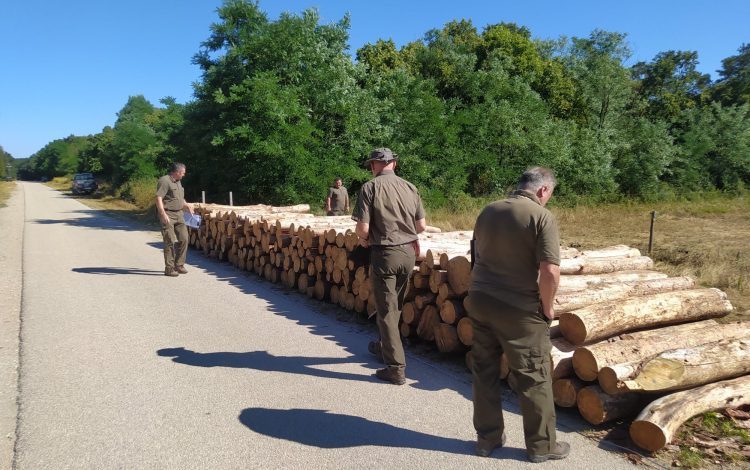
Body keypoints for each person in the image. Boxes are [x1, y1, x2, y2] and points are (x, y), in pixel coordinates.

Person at [466, 167, 569, 463]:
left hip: (481, 299)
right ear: (543, 190)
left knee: (484, 371)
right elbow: (550, 272)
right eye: (549, 194)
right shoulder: (541, 216)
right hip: (518, 309)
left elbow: (476, 255)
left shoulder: (488, 210)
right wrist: (548, 307)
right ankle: (542, 446)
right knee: (534, 376)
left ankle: (487, 438)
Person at [353, 148, 426, 385]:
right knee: (394, 305)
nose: (370, 169)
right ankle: (384, 348)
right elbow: (421, 226)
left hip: (384, 254)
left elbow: (363, 230)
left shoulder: (369, 188)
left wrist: (364, 241)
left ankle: (395, 368)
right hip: (408, 254)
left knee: (386, 310)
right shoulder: (410, 187)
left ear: (375, 164)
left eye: (371, 165)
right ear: (393, 164)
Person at [156, 162, 194, 277]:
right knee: (170, 241)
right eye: (183, 173)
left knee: (184, 239)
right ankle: (169, 268)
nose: (184, 175)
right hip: (168, 214)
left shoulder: (178, 181)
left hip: (179, 214)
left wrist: (187, 206)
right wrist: (163, 214)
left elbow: (180, 197)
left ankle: (179, 264)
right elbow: (158, 198)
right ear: (177, 172)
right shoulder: (165, 181)